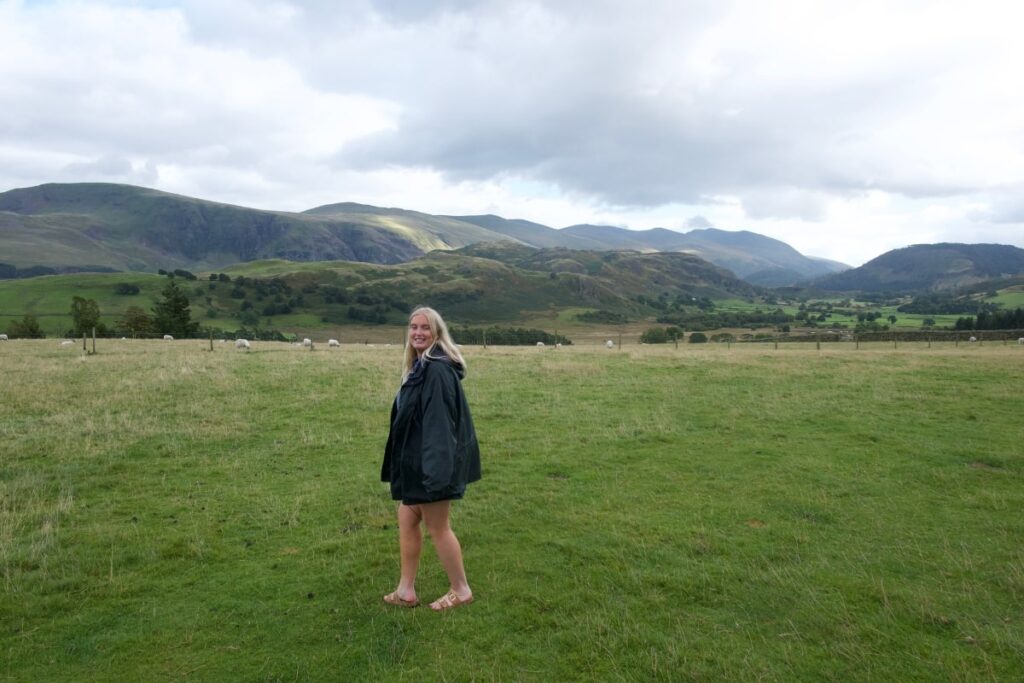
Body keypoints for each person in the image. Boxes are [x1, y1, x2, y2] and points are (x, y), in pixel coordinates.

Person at [381, 306, 481, 611]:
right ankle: (405, 590)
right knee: (406, 517)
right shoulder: (421, 366)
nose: (418, 333)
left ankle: (461, 589)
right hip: (418, 464)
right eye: (413, 327)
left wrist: (435, 474)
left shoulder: (436, 370)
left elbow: (439, 425)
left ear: (437, 332)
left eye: (425, 327)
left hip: (432, 466)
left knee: (438, 527)